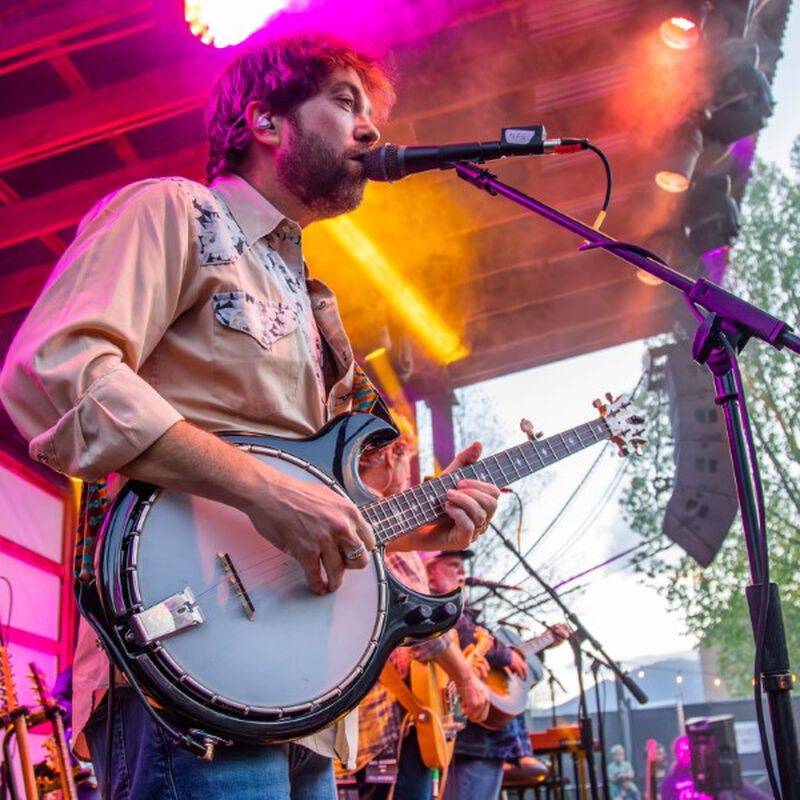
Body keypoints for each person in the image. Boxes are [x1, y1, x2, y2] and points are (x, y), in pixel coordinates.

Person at [0, 35, 501, 800]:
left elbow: (311, 497)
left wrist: (421, 525)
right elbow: (55, 369)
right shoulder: (174, 211)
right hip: (185, 673)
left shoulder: (312, 300)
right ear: (266, 122)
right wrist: (263, 491)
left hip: (303, 686)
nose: (369, 129)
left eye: (370, 111)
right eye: (344, 102)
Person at [351, 415, 490, 800]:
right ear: (386, 458)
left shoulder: (376, 523)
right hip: (388, 716)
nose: (409, 480)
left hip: (397, 713)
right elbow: (419, 626)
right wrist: (466, 679)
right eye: (407, 464)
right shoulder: (374, 521)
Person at [424, 550, 548, 800]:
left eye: (462, 566)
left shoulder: (465, 614)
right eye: (452, 565)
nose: (462, 572)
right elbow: (464, 633)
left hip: (483, 742)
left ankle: (521, 750)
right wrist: (507, 656)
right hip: (469, 742)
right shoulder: (437, 609)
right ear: (429, 574)